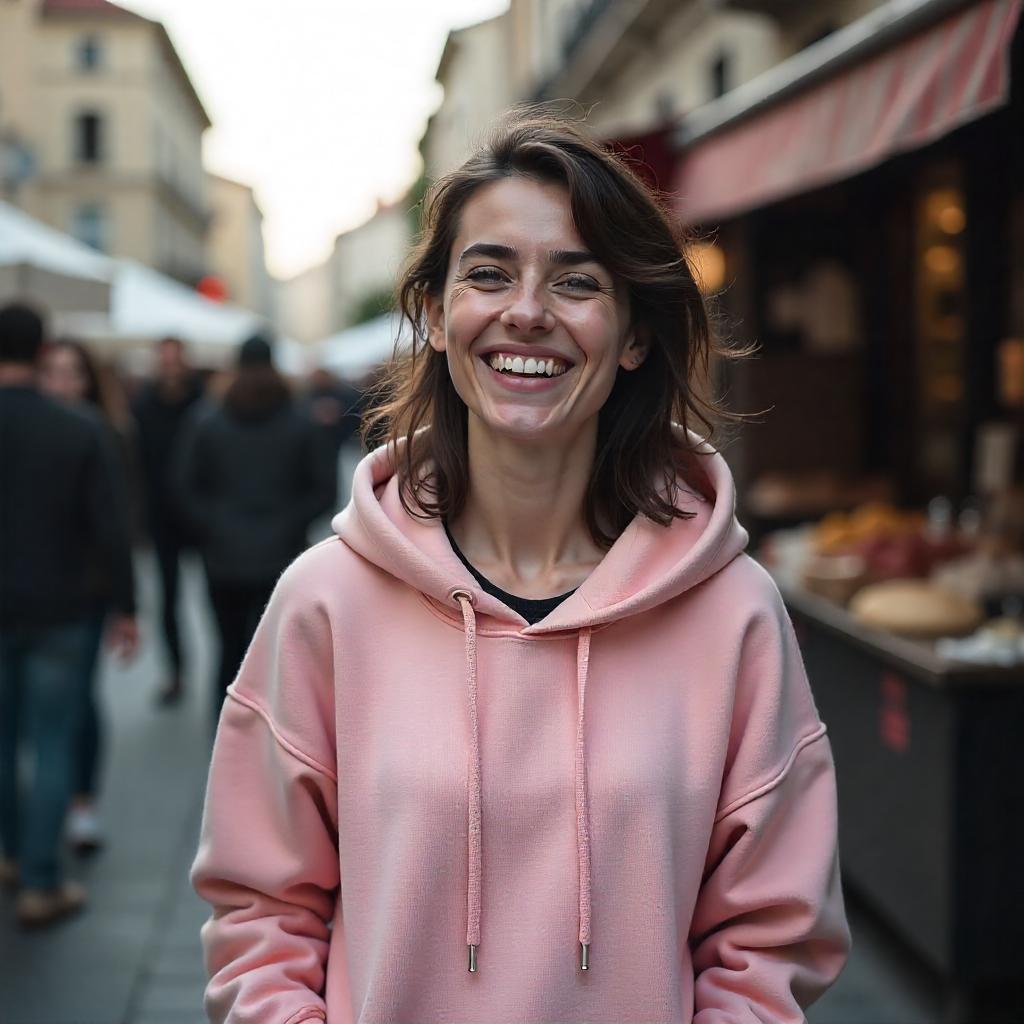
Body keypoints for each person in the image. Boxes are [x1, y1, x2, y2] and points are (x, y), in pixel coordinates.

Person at [192, 115, 850, 1022]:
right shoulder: (325, 601)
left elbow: (772, 940)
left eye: (577, 281)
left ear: (633, 336)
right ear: (434, 314)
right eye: (489, 273)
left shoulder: (734, 613)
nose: (527, 310)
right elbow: (261, 912)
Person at [0, 304, 138, 927]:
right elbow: (112, 529)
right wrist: (127, 607)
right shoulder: (78, 428)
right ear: (40, 349)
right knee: (54, 740)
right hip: (62, 607)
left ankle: (9, 854)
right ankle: (41, 880)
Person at [174, 334, 337, 724]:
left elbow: (182, 485)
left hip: (223, 556)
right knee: (276, 656)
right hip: (281, 558)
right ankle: (272, 735)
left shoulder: (207, 420)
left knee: (228, 651)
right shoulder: (300, 421)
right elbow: (324, 490)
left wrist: (212, 525)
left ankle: (225, 732)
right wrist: (289, 522)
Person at [39, 338, 137, 855]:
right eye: (51, 372)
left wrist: (125, 603)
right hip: (31, 594)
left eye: (71, 373)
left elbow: (116, 523)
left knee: (76, 703)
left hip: (84, 591)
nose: (61, 384)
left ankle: (81, 805)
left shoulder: (100, 433)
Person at [133, 335, 204, 705]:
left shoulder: (202, 402)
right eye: (165, 359)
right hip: (161, 516)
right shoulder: (142, 405)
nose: (170, 366)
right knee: (168, 599)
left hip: (201, 515)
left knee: (213, 594)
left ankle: (229, 671)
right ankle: (176, 671)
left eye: (175, 359)